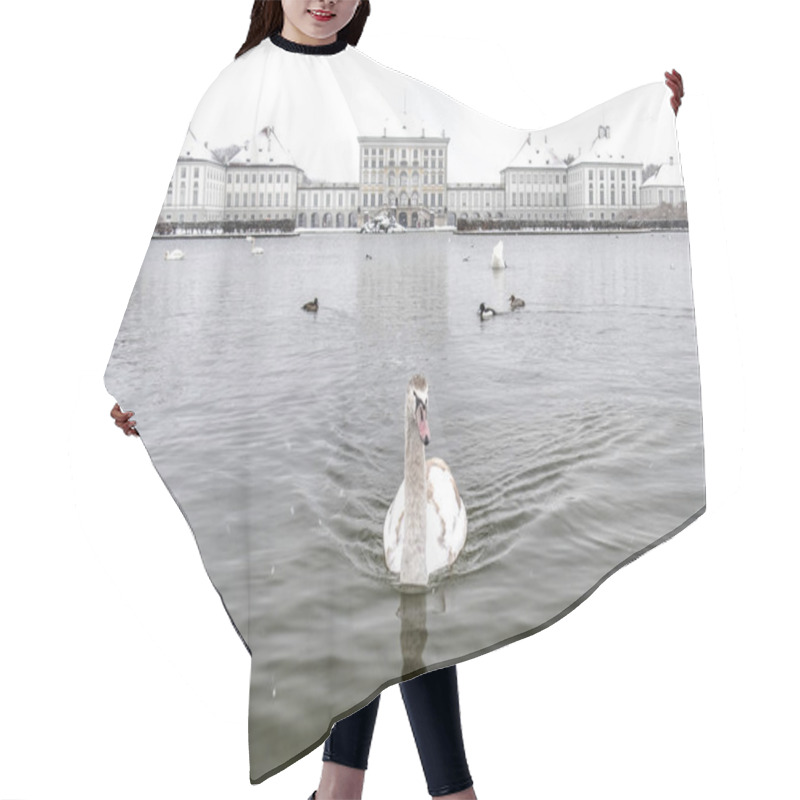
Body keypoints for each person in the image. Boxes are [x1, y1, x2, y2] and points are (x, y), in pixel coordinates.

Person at [111, 2, 685, 798]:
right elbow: (167, 237)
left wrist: (645, 121)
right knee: (389, 590)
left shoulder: (376, 87)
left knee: (397, 583)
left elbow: (502, 132)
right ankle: (434, 791)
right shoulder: (236, 88)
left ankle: (347, 789)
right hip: (296, 405)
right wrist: (145, 383)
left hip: (362, 387)